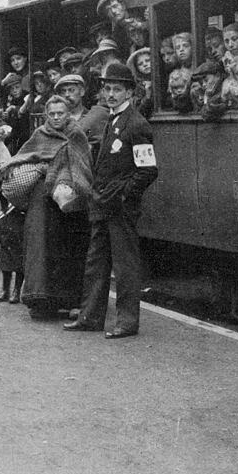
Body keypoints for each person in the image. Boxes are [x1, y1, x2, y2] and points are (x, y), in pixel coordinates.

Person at [64, 63, 158, 339]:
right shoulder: (113, 120)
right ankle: (90, 316)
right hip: (103, 203)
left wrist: (125, 193)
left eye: (118, 89)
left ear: (130, 91)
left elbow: (148, 171)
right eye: (107, 89)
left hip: (119, 206)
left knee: (125, 265)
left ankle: (127, 322)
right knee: (96, 262)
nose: (111, 94)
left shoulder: (137, 124)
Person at [0, 96, 93, 319]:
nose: (57, 117)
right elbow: (22, 156)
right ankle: (40, 301)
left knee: (68, 250)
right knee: (39, 245)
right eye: (52, 114)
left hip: (69, 199)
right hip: (41, 198)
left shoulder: (76, 134)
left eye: (61, 113)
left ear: (68, 114)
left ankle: (70, 302)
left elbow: (83, 165)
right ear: (46, 115)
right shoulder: (39, 134)